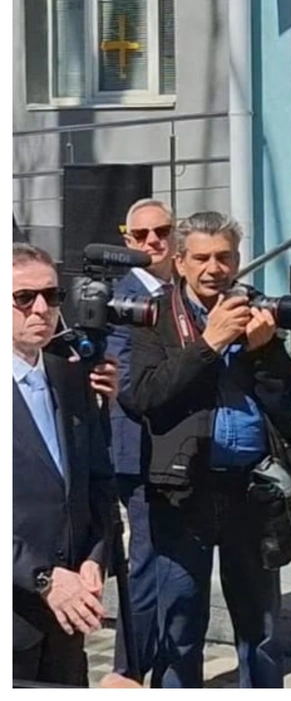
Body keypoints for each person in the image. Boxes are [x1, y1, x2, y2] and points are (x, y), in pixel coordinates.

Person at [126, 211, 291, 688]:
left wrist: (266, 352)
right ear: (180, 263)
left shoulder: (255, 309)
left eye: (224, 257)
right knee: (181, 622)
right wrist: (209, 343)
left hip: (252, 489)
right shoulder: (155, 316)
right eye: (202, 258)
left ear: (238, 260)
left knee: (261, 628)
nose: (214, 269)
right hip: (183, 491)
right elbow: (142, 396)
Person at [12, 242, 120, 687]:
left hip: (67, 620)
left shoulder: (70, 376)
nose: (41, 309)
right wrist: (42, 578)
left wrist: (96, 555)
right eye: (23, 298)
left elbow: (97, 480)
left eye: (52, 295)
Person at [106, 198, 176, 685]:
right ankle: (128, 669)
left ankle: (169, 665)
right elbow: (125, 385)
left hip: (181, 452)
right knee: (146, 562)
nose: (153, 241)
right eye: (142, 235)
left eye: (162, 231)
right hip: (139, 451)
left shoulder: (183, 291)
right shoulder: (120, 300)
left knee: (171, 564)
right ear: (127, 241)